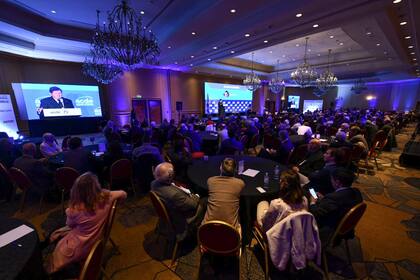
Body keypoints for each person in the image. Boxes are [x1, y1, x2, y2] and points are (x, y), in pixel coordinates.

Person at [44, 172, 126, 274]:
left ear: (77, 190)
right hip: (99, 239)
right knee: (58, 229)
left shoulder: (74, 210)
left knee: (54, 256)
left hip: (81, 246)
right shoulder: (107, 197)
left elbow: (70, 225)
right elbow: (123, 194)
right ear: (96, 186)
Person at [151, 162, 206, 237]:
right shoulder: (175, 195)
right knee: (205, 200)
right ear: (171, 175)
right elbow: (194, 205)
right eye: (173, 171)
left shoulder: (154, 183)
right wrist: (196, 196)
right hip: (182, 219)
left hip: (172, 209)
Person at [309, 167, 363, 243]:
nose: (331, 181)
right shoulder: (357, 192)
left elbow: (316, 214)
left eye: (332, 179)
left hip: (328, 229)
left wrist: (312, 202)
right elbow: (339, 204)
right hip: (347, 227)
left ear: (337, 182)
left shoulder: (333, 198)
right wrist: (325, 199)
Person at [202, 158, 245, 232]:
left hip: (207, 230)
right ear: (235, 170)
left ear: (220, 168)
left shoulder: (210, 181)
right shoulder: (240, 183)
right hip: (230, 232)